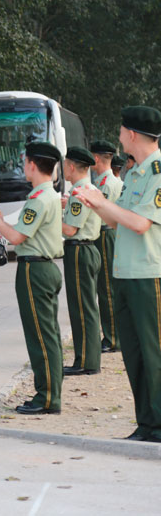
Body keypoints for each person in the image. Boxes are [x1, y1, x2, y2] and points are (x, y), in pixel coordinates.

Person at [74, 105, 161, 443]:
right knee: (134, 353)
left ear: (132, 134)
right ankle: (147, 422)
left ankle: (158, 423)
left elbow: (140, 223)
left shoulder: (156, 171)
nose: (120, 134)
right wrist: (96, 203)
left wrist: (103, 203)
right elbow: (117, 220)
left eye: (122, 129)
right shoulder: (135, 172)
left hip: (149, 273)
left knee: (152, 352)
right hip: (126, 272)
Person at [0, 141, 64, 415]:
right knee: (46, 333)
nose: (23, 165)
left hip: (35, 271)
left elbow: (16, 237)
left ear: (32, 164)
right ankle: (48, 393)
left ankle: (47, 397)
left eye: (25, 161)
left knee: (40, 335)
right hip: (43, 267)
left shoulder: (40, 199)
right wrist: (2, 219)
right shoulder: (46, 195)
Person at [60, 146, 102, 376]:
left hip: (79, 251)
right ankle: (86, 358)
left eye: (65, 164)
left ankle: (86, 361)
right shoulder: (87, 189)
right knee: (85, 305)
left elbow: (70, 229)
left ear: (72, 166)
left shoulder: (79, 193)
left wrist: (49, 215)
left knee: (82, 307)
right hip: (87, 249)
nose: (64, 168)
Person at [89, 140, 122, 353]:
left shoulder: (106, 184)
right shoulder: (106, 182)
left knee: (106, 287)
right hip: (106, 233)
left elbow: (104, 213)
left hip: (106, 234)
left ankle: (112, 338)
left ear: (96, 158)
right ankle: (112, 335)